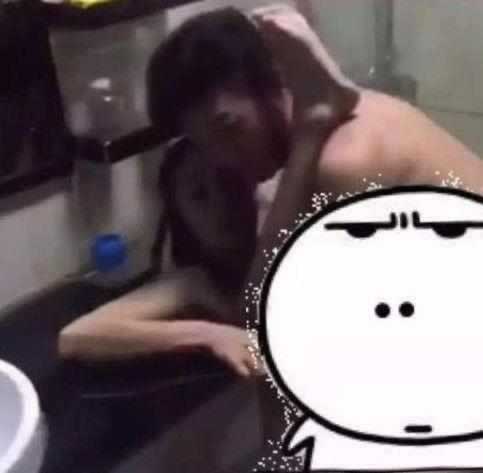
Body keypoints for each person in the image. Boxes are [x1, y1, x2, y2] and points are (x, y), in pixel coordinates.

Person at [59, 4, 483, 376]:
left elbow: (261, 311)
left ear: (274, 84)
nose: (223, 159)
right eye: (205, 144)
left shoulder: (346, 159)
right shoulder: (339, 129)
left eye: (229, 127)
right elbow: (75, 338)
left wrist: (311, 133)